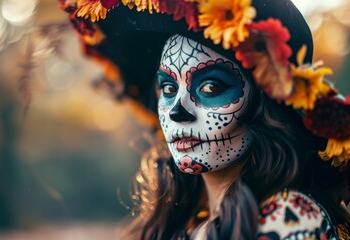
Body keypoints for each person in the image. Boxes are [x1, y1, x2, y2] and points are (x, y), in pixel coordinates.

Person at [60, 0, 350, 239]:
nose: (177, 110)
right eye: (169, 89)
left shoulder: (289, 218)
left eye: (211, 88)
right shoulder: (182, 224)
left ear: (265, 106)